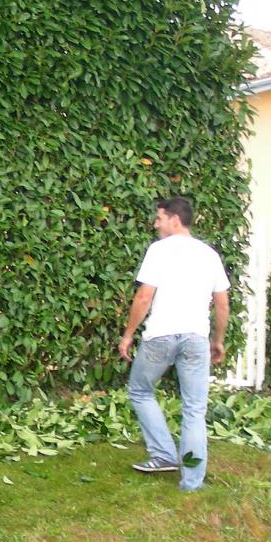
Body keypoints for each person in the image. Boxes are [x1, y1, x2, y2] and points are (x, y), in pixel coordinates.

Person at [117, 197, 230, 492]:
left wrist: (128, 334)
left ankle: (164, 454)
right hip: (196, 339)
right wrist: (217, 341)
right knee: (194, 409)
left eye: (160, 218)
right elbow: (222, 304)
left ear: (175, 220)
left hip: (161, 336)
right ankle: (191, 483)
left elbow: (144, 297)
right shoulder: (209, 255)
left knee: (140, 391)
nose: (156, 224)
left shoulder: (159, 250)